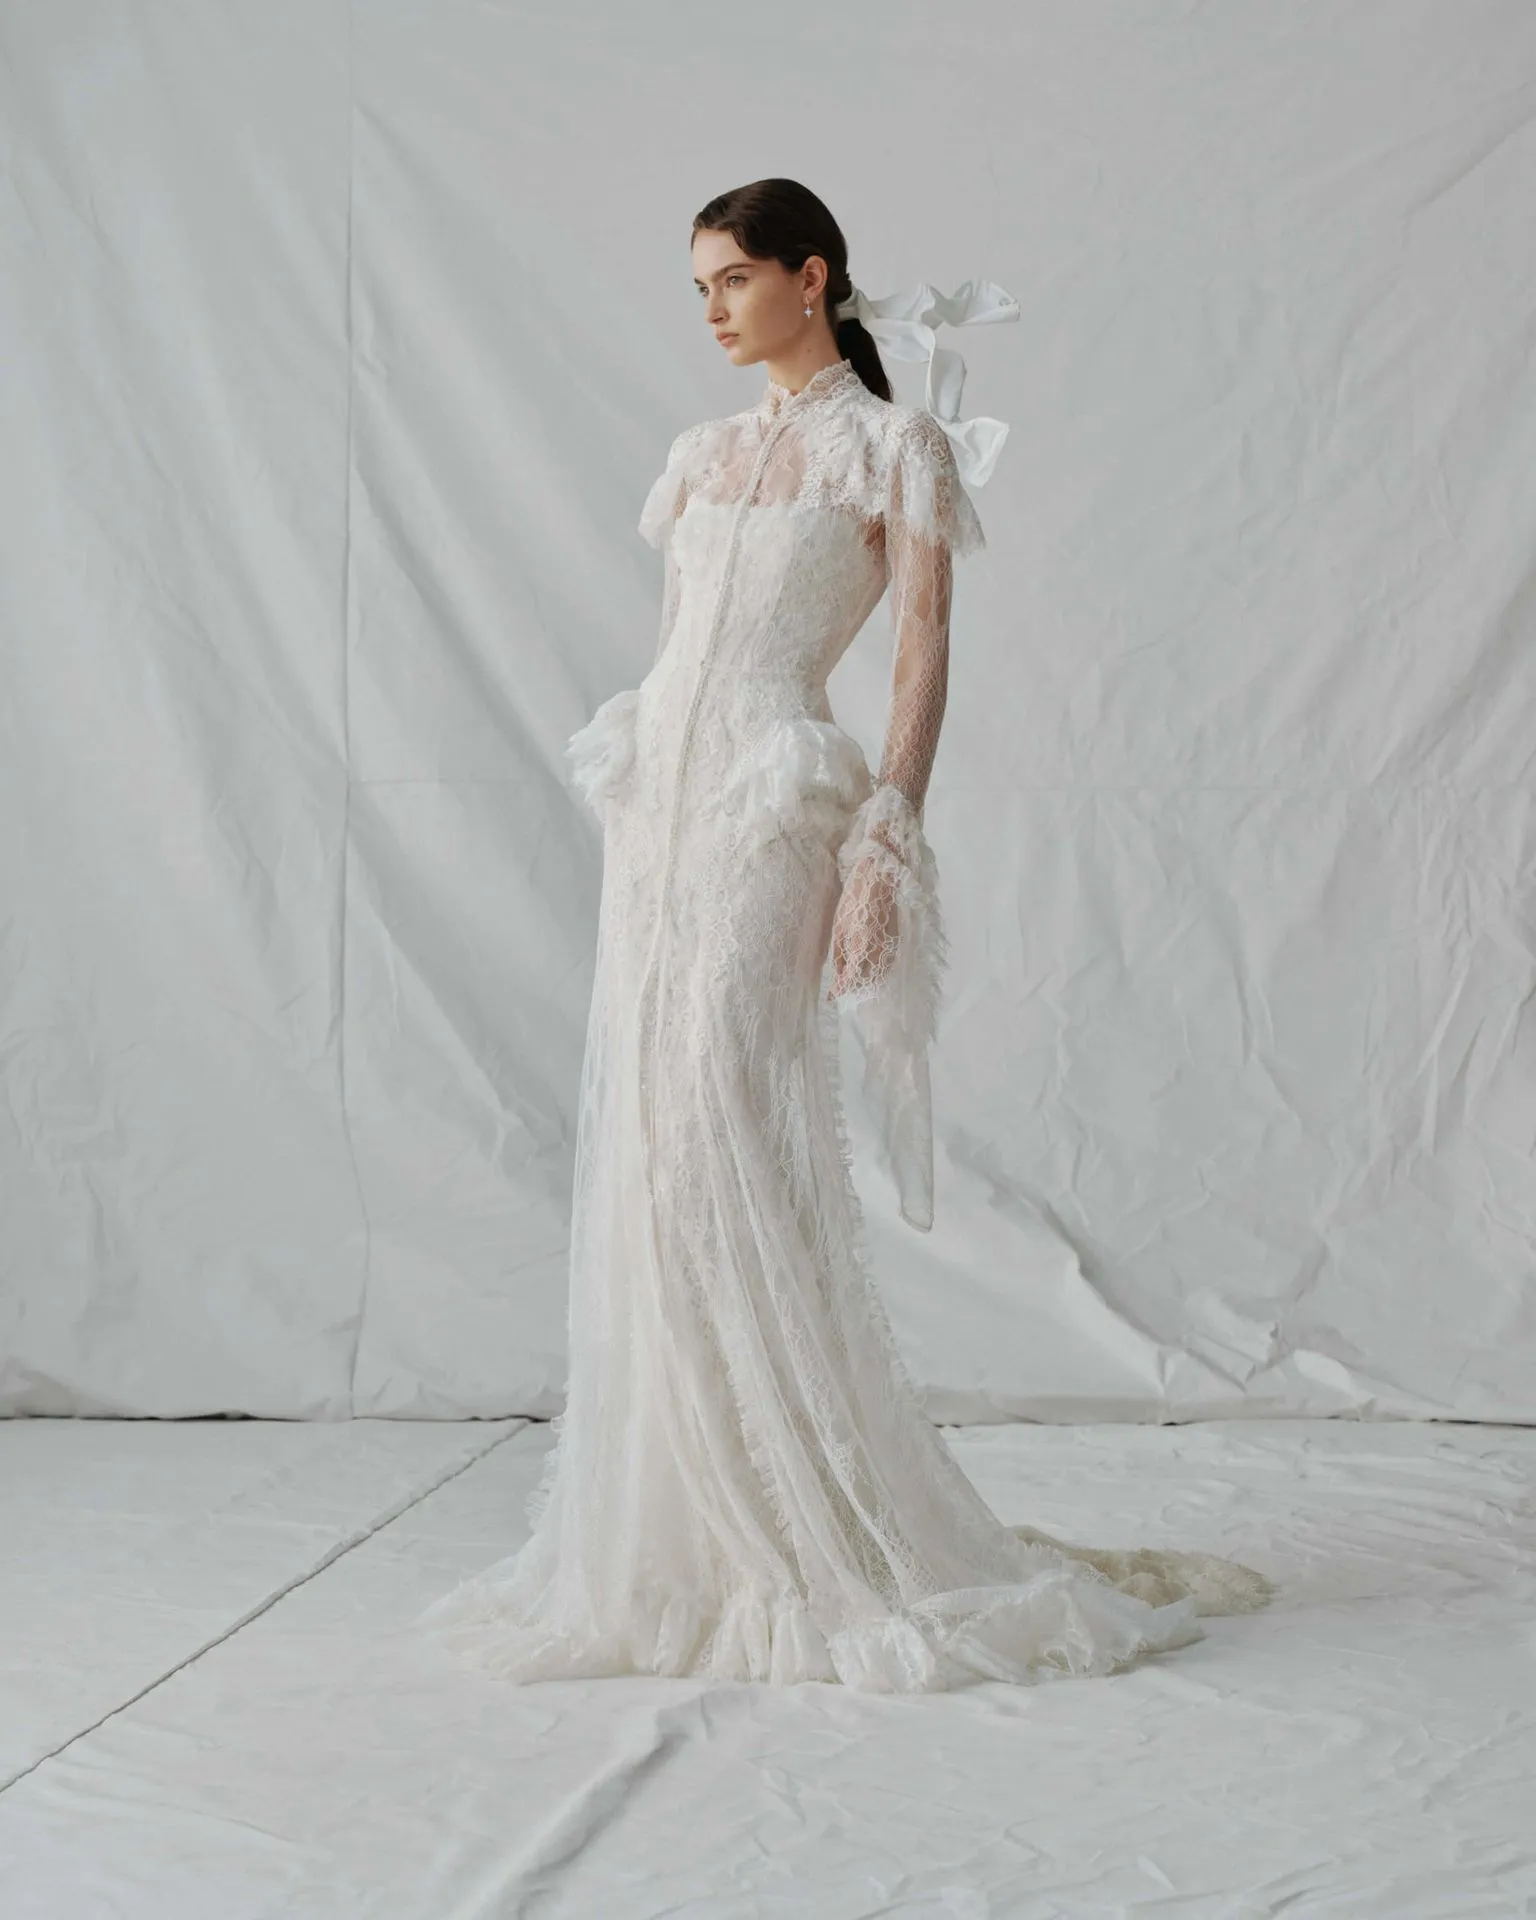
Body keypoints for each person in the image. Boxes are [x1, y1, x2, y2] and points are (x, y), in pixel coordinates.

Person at [420, 179, 1271, 1692]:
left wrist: (888, 840)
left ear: (811, 279)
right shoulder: (701, 456)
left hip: (772, 802)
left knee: (728, 1116)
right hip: (660, 815)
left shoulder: (896, 446)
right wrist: (642, 804)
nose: (712, 309)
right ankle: (678, 1520)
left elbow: (923, 654)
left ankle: (803, 1509)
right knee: (652, 1132)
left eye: (733, 279)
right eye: (699, 286)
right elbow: (676, 650)